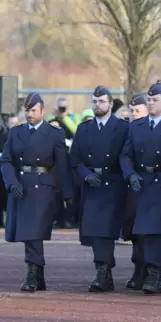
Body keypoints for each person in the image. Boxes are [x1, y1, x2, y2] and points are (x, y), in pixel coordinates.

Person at [0, 92, 73, 292]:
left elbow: (63, 165)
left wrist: (68, 194)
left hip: (44, 186)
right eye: (27, 111)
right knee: (29, 232)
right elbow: (6, 160)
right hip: (21, 185)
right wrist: (11, 182)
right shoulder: (16, 133)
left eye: (33, 110)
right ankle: (37, 274)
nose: (30, 114)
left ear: (42, 111)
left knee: (34, 230)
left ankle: (32, 273)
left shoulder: (54, 133)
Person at [120, 84, 161, 294]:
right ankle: (154, 271)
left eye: (155, 100)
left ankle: (159, 272)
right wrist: (130, 174)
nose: (150, 103)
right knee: (145, 232)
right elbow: (125, 155)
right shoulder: (137, 126)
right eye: (148, 100)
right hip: (143, 182)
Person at [70, 85, 130, 292]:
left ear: (110, 104)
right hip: (92, 184)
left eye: (102, 101)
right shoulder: (84, 128)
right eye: (94, 102)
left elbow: (127, 156)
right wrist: (86, 175)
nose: (98, 105)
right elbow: (75, 160)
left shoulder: (123, 128)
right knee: (96, 231)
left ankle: (105, 272)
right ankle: (102, 271)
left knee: (106, 231)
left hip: (113, 183)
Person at [123, 94, 149, 290]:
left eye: (138, 111)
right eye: (132, 111)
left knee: (151, 231)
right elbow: (125, 156)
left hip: (155, 184)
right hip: (134, 186)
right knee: (134, 231)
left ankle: (154, 270)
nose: (134, 114)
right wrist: (130, 174)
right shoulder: (130, 129)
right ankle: (139, 269)